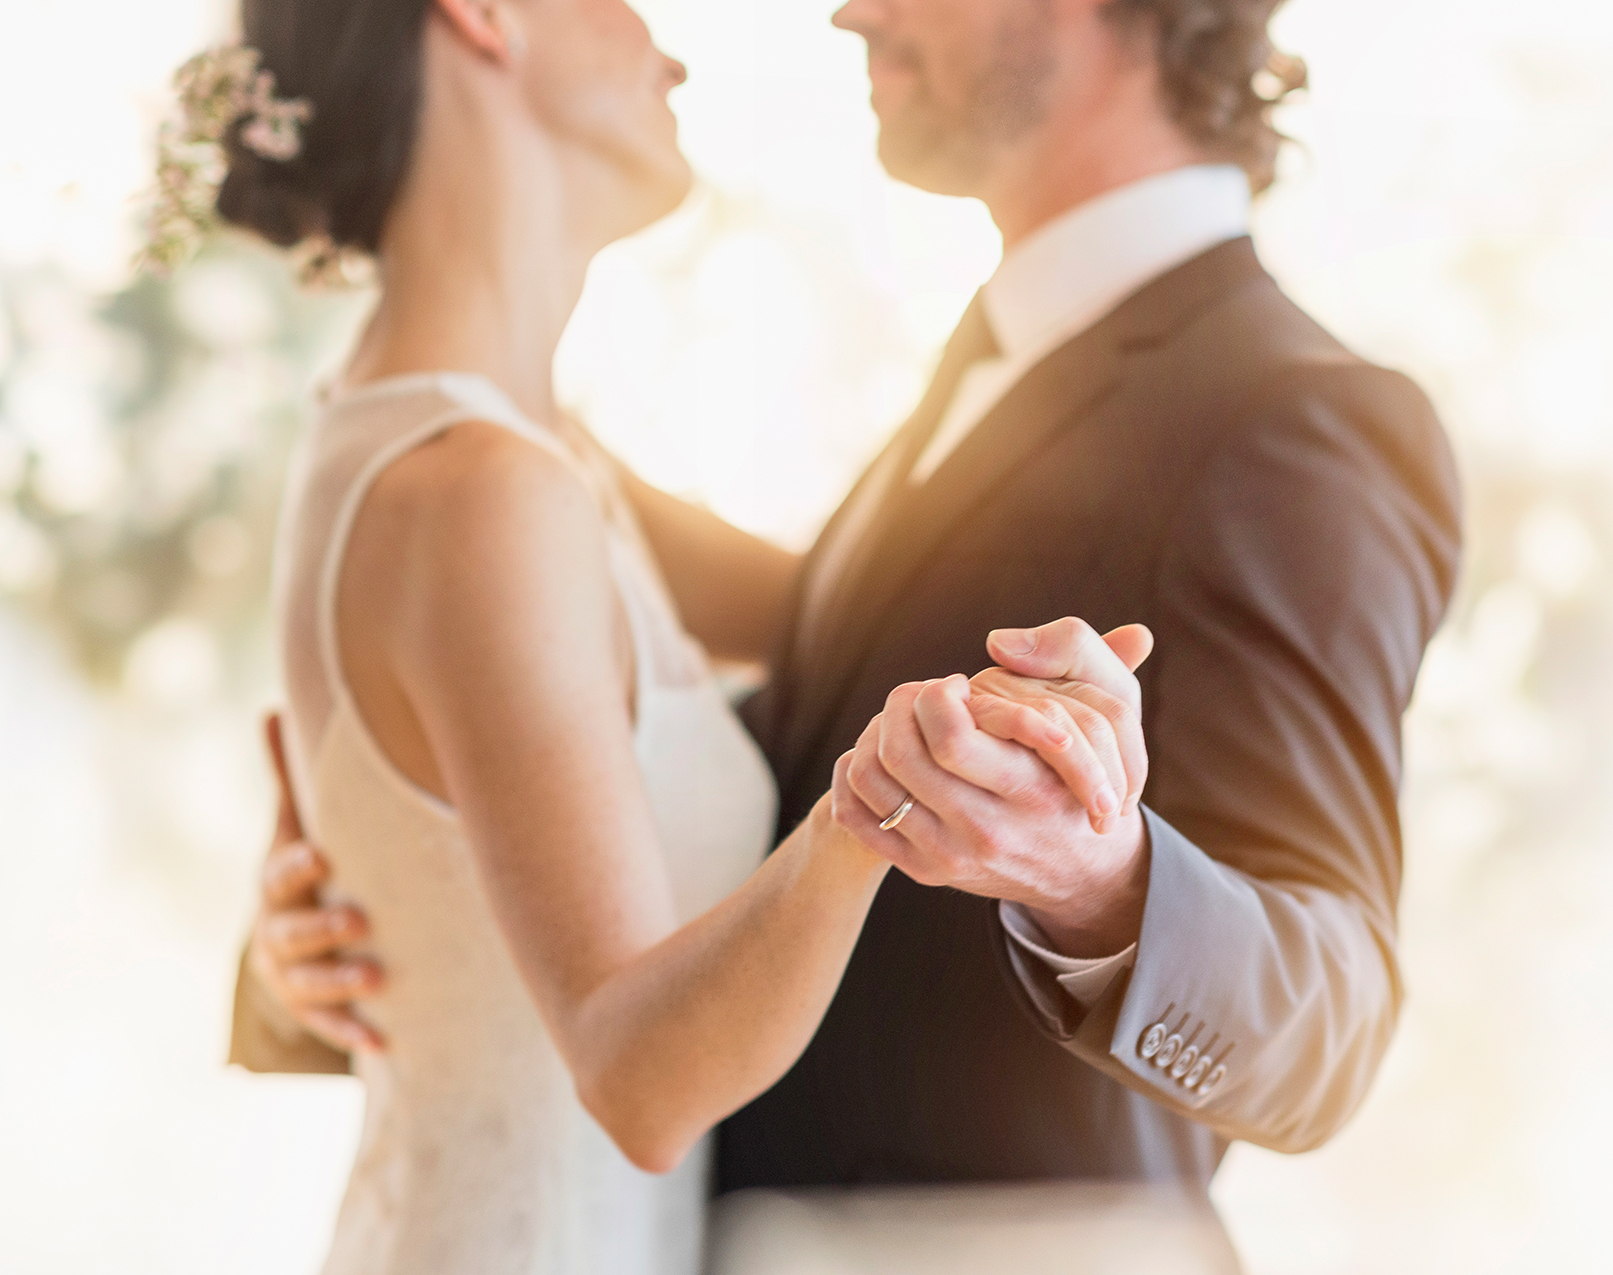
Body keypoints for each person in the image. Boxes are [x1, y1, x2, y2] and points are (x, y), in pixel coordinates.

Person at [240, 0, 1462, 1253]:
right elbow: (656, 731)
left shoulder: (1295, 422)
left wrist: (1104, 882)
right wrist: (374, 898)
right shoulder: (948, 386)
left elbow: (1334, 1024)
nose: (849, 9)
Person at [184, 0, 1145, 1272]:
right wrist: (867, 819)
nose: (672, 50)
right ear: (481, 18)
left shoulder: (514, 455)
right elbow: (640, 1081)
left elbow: (843, 627)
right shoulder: (480, 491)